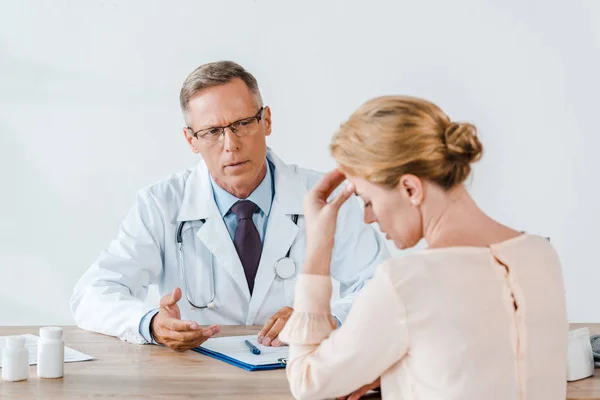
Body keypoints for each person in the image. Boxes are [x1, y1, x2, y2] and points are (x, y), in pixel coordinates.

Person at [69, 61, 389, 351]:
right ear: (191, 139)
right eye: (212, 132)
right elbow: (94, 293)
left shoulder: (325, 197)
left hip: (296, 369)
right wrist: (150, 323)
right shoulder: (160, 204)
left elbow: (383, 286)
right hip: (196, 377)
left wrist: (323, 317)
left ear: (266, 120)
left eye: (242, 123)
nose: (230, 144)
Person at [278, 95, 568, 399]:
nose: (367, 218)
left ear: (409, 188)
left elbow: (308, 384)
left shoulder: (404, 283)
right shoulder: (540, 255)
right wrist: (397, 370)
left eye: (368, 201)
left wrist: (318, 243)